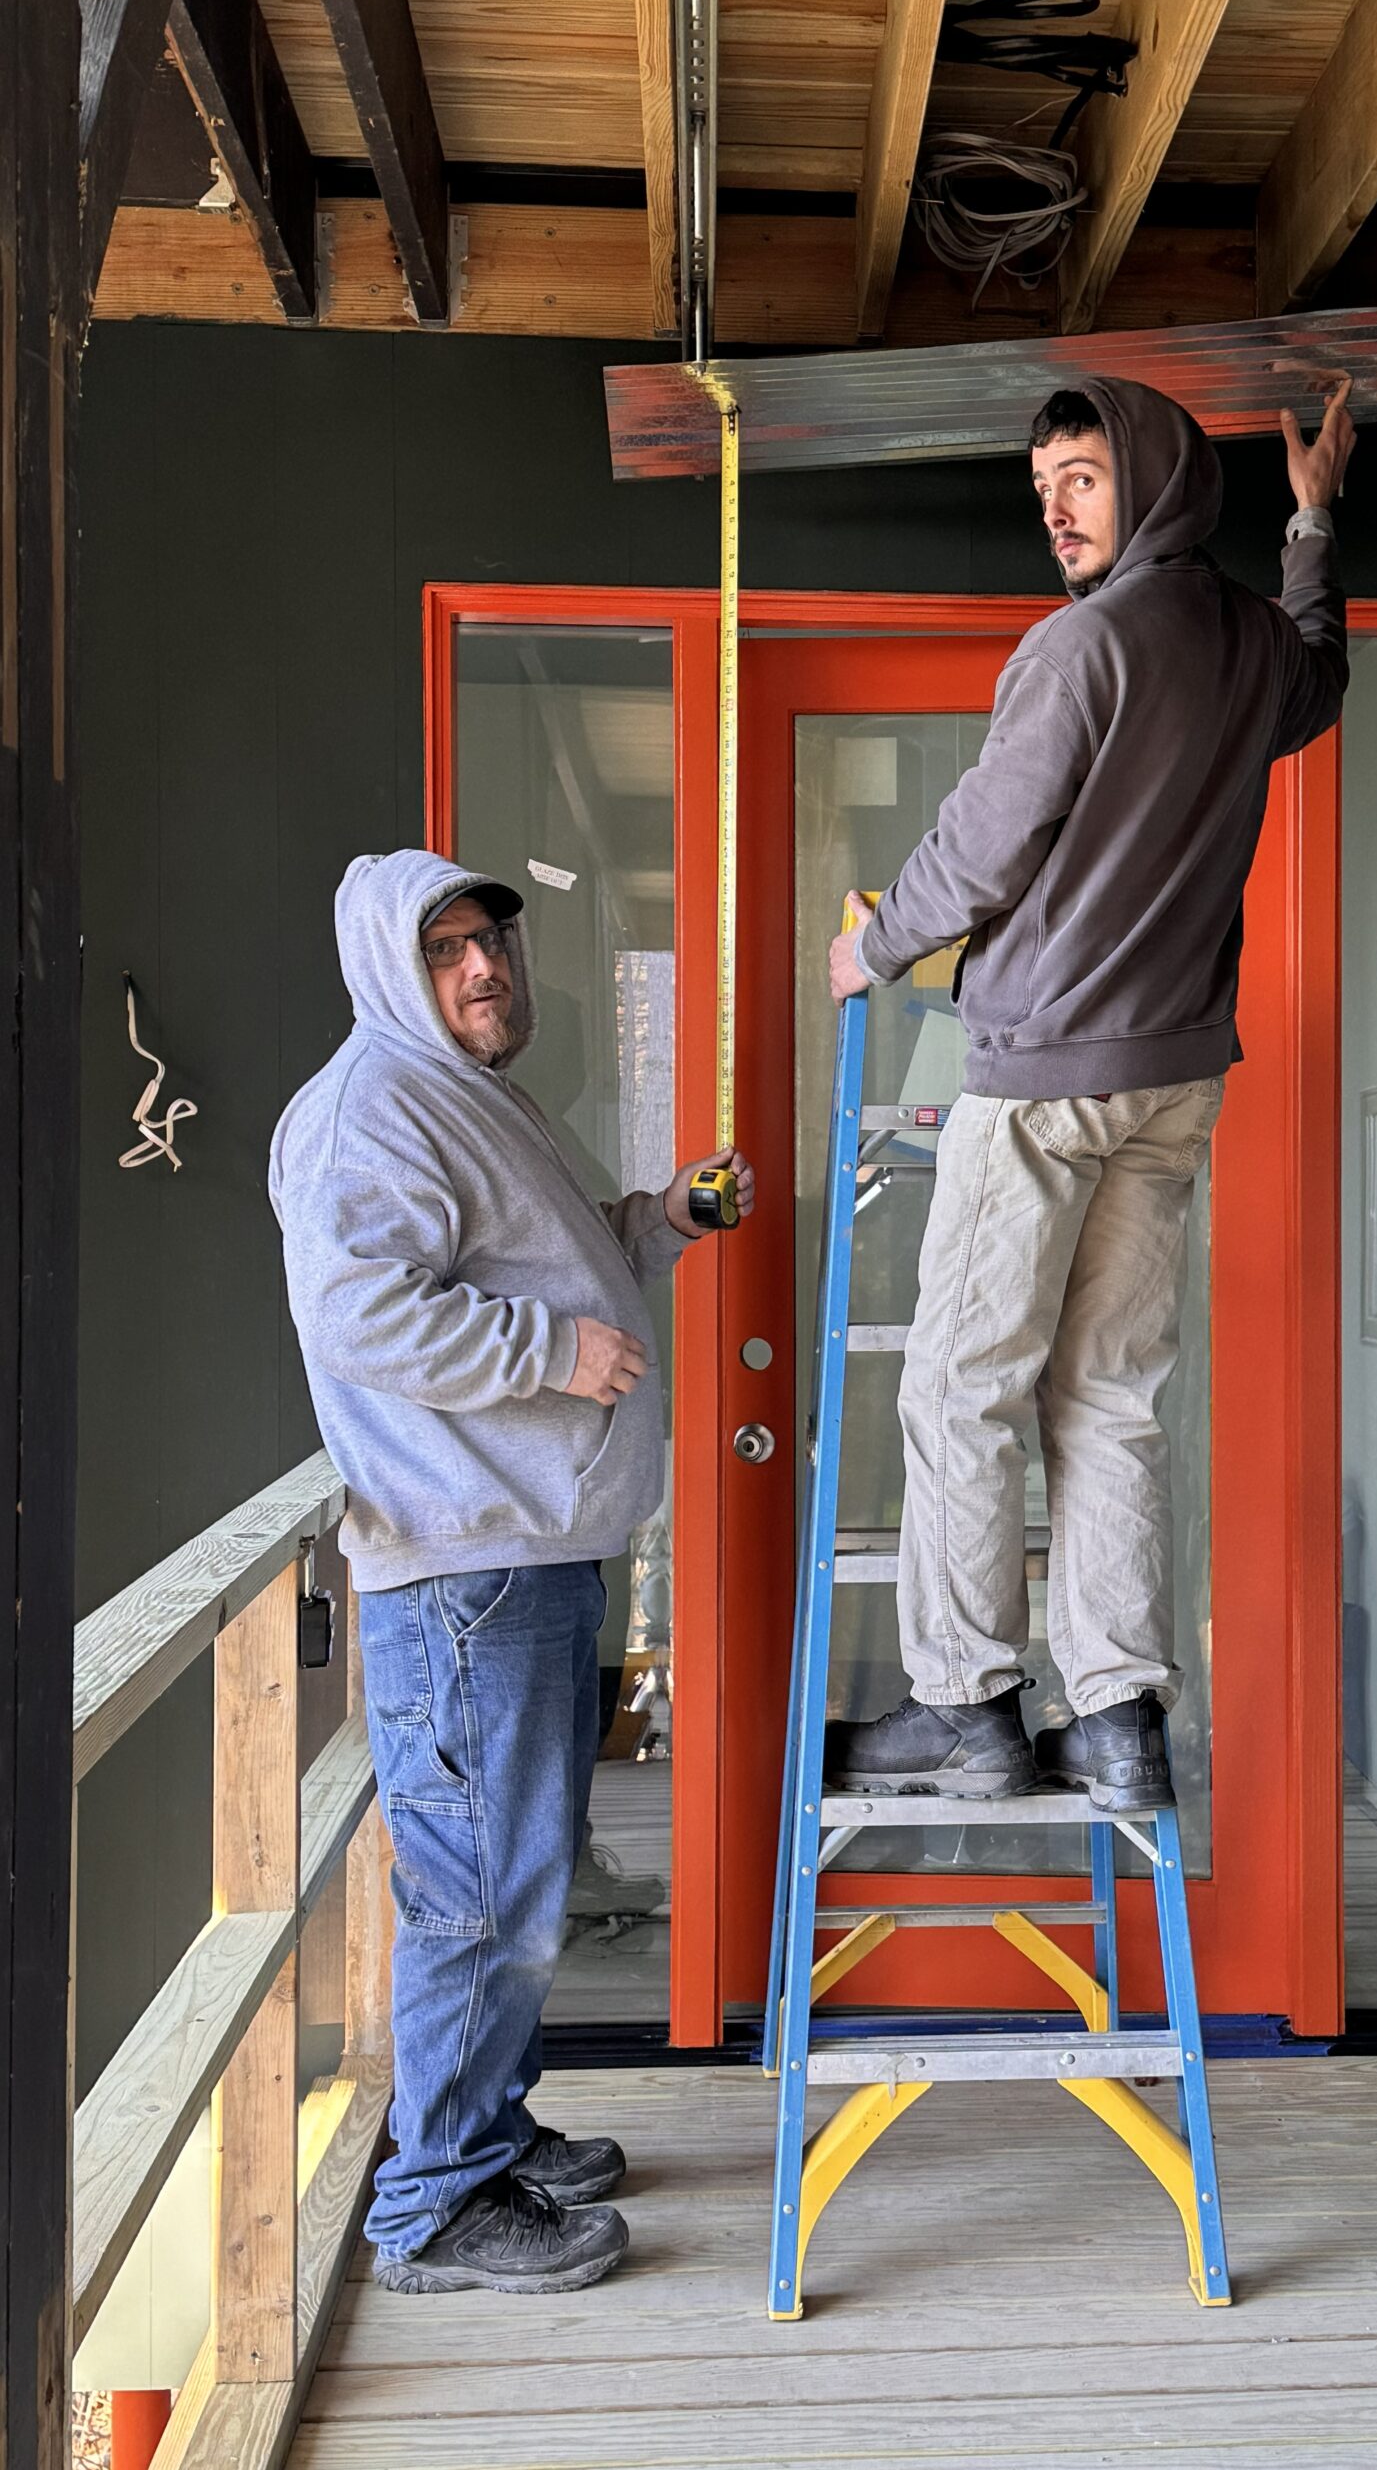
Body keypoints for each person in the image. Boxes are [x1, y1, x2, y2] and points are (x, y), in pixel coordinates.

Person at [825, 374, 1354, 1814]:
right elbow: (1323, 672)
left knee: (963, 1386)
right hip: (1174, 1082)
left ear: (1152, 479)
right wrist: (1314, 524)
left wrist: (866, 949)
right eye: (1044, 484)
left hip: (1047, 1078)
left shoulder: (1079, 648)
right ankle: (1118, 1719)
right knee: (1112, 1397)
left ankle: (964, 1708)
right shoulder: (1249, 647)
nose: (1055, 509)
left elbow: (982, 847)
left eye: (1082, 477)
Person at [270, 850, 754, 2294]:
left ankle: (483, 2127)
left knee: (516, 1880)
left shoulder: (465, 1098)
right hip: (467, 1569)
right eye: (445, 951)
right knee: (483, 1897)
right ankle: (432, 2205)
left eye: (493, 940)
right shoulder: (372, 1111)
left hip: (524, 1551)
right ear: (387, 971)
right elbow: (363, 1318)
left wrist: (661, 1223)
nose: (484, 967)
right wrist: (551, 1357)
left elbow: (549, 1267)